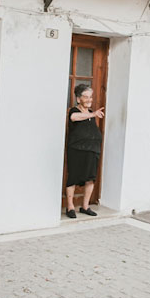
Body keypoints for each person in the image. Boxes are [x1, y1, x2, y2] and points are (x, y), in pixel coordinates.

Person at [65, 84, 104, 219]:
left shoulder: (91, 113)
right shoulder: (74, 111)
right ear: (78, 98)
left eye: (90, 97)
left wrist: (92, 114)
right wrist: (93, 114)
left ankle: (85, 206)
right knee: (73, 178)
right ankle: (70, 206)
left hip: (92, 150)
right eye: (86, 97)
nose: (89, 99)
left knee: (90, 179)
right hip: (77, 150)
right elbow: (74, 117)